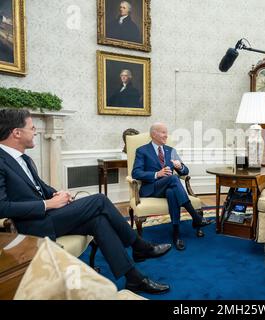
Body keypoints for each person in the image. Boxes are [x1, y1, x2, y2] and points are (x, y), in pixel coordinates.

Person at [0, 109, 171, 294]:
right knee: (99, 200)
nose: (35, 131)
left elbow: (39, 187)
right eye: (32, 128)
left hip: (48, 216)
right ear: (16, 133)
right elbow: (2, 207)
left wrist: (58, 194)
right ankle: (139, 246)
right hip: (34, 226)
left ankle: (133, 278)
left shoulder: (22, 158)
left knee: (99, 221)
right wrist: (48, 204)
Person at [131, 123, 212, 251]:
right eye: (163, 132)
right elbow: (136, 173)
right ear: (153, 134)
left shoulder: (170, 150)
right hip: (152, 188)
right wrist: (157, 174)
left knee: (171, 192)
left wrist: (180, 167)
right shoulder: (142, 150)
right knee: (174, 179)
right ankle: (195, 217)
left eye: (166, 132)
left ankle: (176, 234)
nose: (166, 135)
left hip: (169, 187)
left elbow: (185, 172)